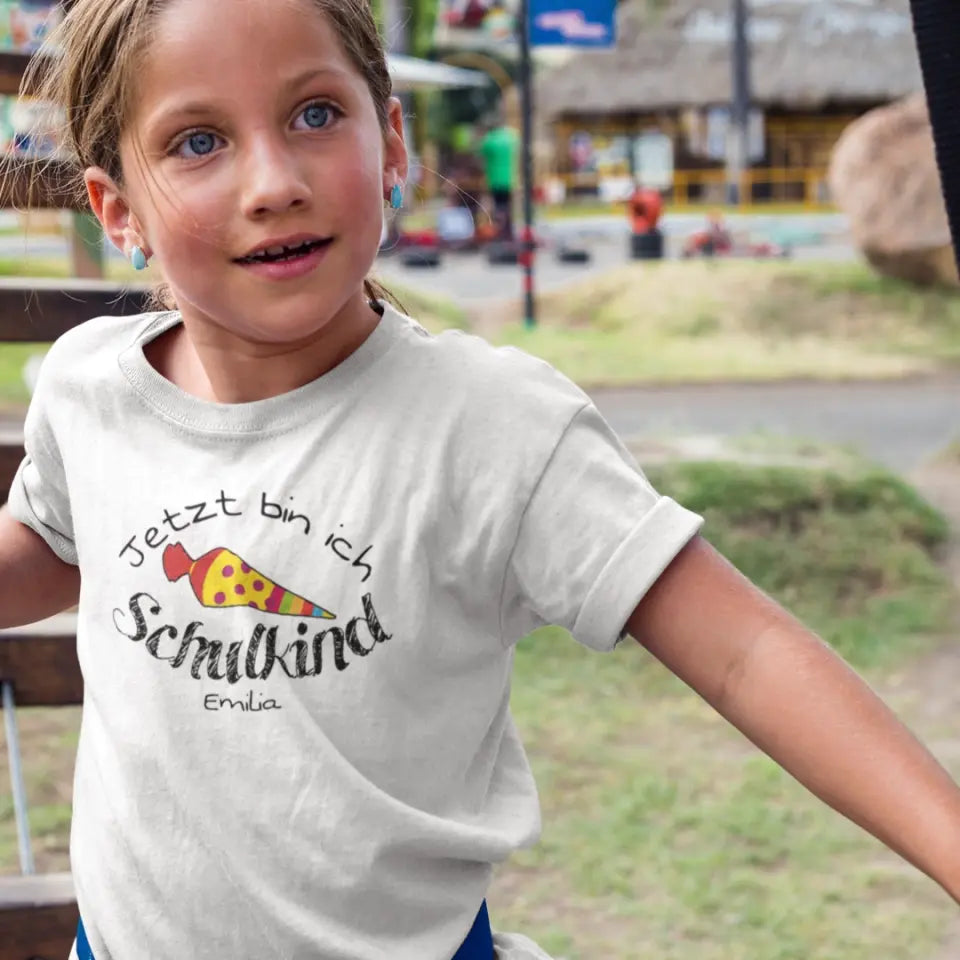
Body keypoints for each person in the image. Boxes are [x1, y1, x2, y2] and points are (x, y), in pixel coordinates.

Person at [1, 1, 958, 959]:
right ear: (116, 209)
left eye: (315, 115)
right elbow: (49, 549)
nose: (274, 182)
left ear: (391, 142)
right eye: (199, 140)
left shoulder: (492, 425)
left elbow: (745, 652)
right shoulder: (91, 389)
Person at [477, 114, 518, 241]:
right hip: (510, 179)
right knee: (508, 206)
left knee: (498, 207)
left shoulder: (490, 140)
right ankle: (508, 231)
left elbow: (480, 153)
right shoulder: (512, 137)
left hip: (495, 180)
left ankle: (499, 232)